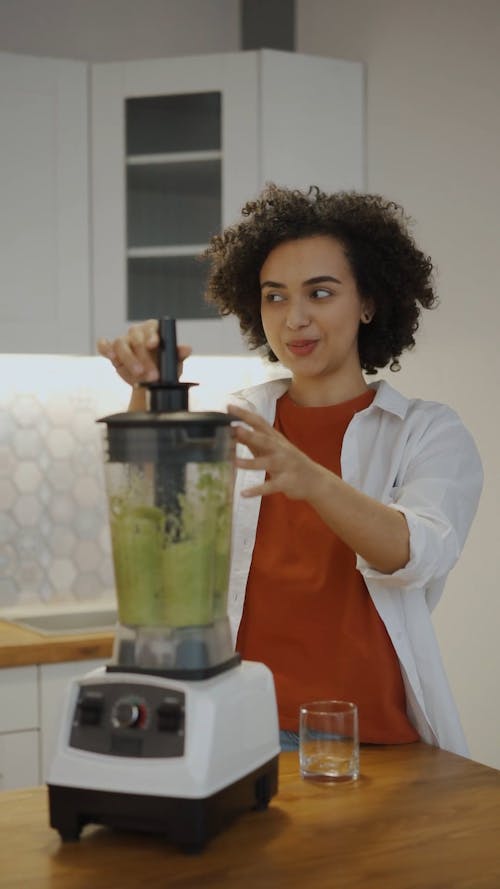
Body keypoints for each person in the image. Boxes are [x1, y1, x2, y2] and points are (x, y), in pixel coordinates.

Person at [98, 184, 483, 756]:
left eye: (320, 293)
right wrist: (147, 392)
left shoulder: (426, 432)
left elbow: (416, 553)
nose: (294, 319)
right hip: (243, 731)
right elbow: (155, 527)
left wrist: (312, 480)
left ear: (368, 302)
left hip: (372, 740)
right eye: (274, 297)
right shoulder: (237, 421)